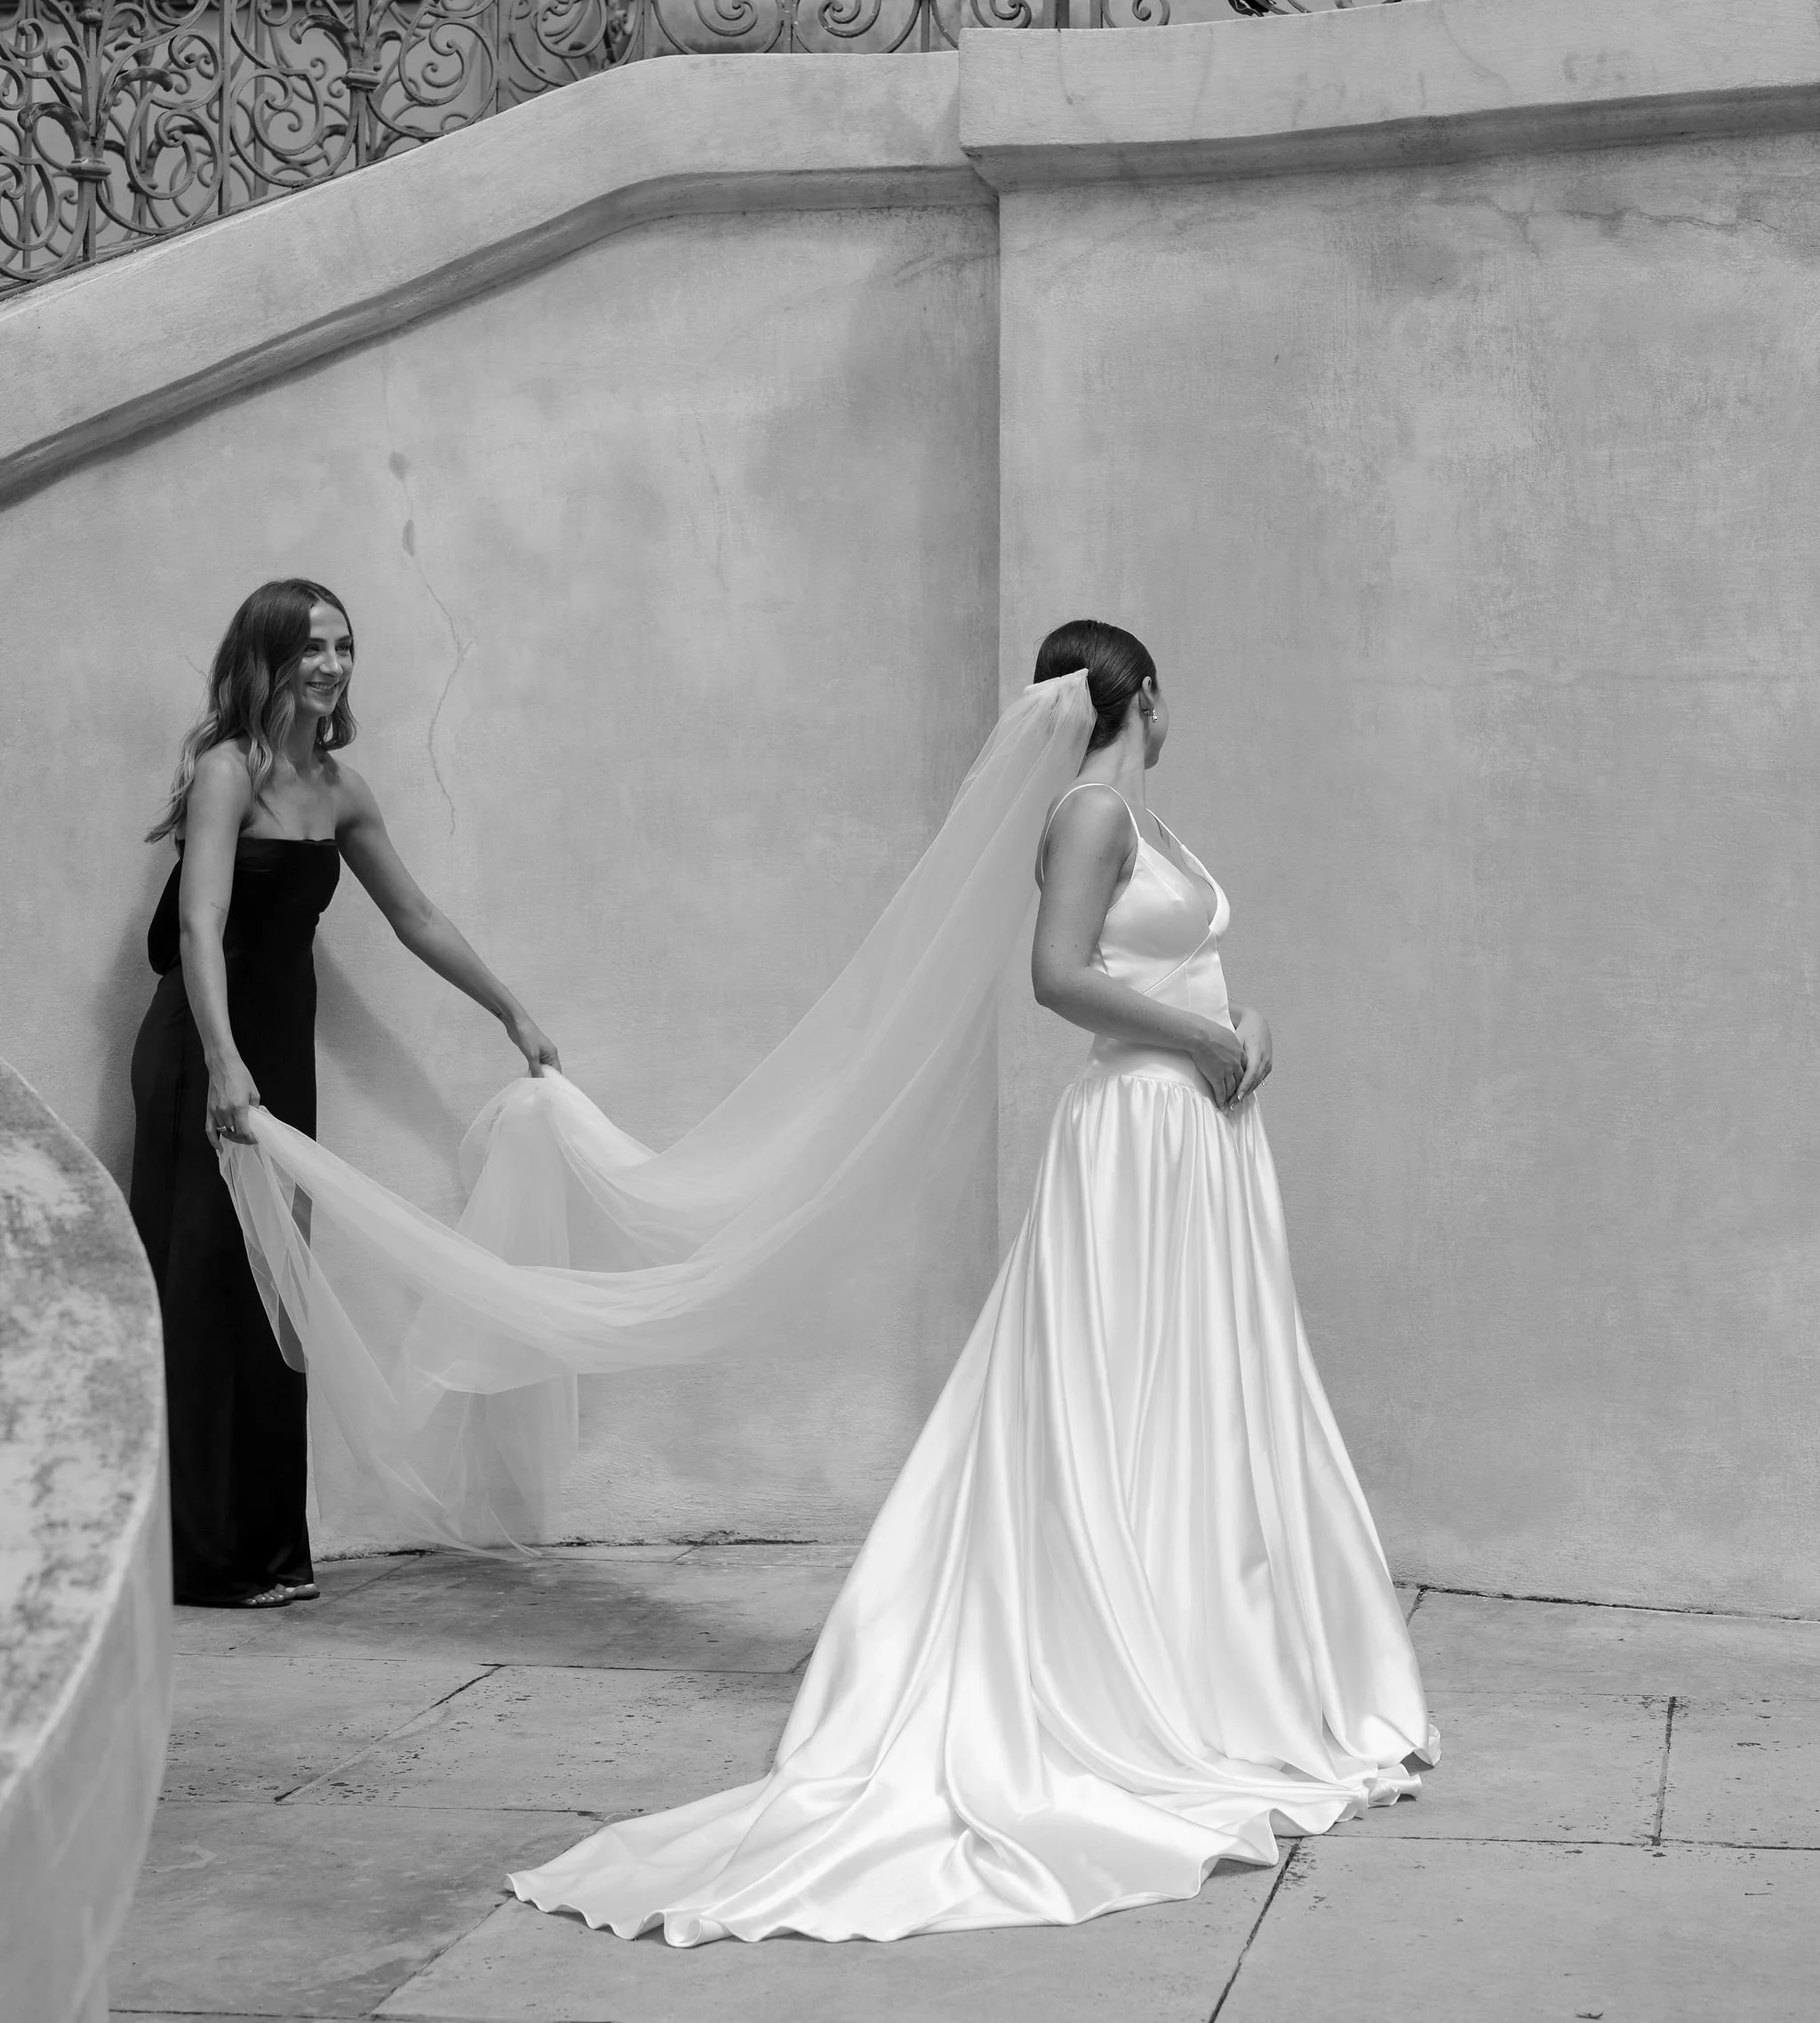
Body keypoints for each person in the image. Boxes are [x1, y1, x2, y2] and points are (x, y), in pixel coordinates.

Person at [504, 619, 1436, 1939]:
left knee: (1196, 1395)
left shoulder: (1146, 823)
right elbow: (1061, 978)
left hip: (1196, 1132)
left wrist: (1246, 1024)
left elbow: (1177, 965)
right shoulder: (1090, 814)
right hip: (1136, 1132)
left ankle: (1211, 1646)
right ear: (1145, 695)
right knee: (1121, 1392)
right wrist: (1202, 1036)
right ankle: (1124, 1668)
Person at [129, 578, 559, 1609]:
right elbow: (198, 923)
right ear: (267, 658)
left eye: (344, 646)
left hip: (280, 1049)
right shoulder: (226, 772)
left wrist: (511, 1009)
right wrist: (222, 1059)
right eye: (312, 647)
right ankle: (200, 1559)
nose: (332, 664)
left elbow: (417, 915)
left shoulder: (342, 788)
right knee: (206, 1285)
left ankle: (270, 1548)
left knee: (275, 1289)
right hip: (205, 1046)